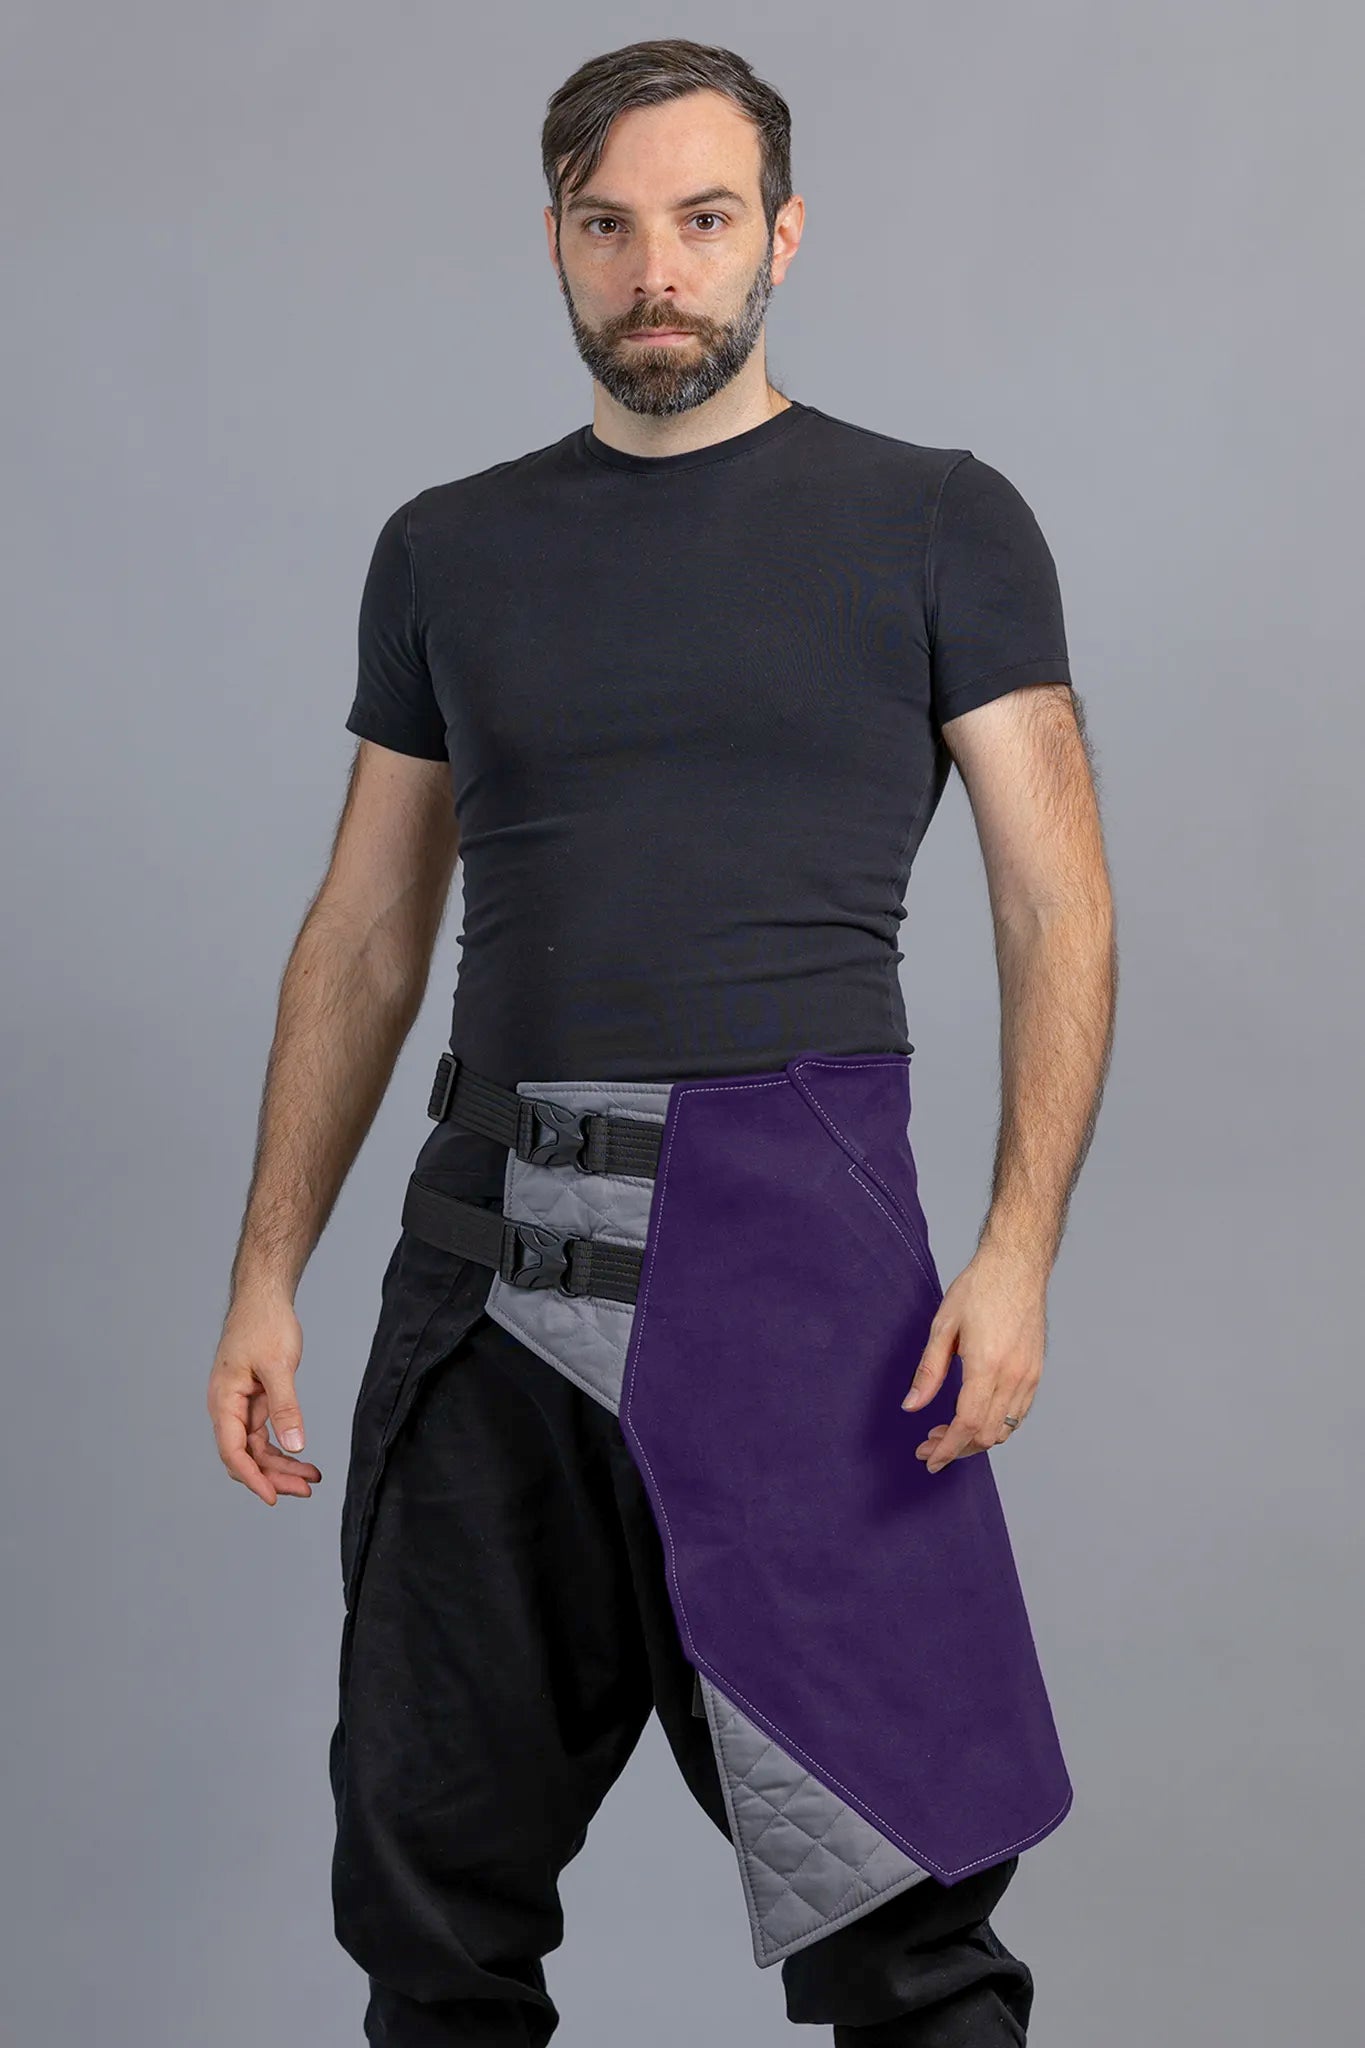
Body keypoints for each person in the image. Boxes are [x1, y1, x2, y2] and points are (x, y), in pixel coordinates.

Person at [207, 35, 1115, 2047]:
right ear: (553, 241)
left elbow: (1055, 900)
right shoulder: (446, 548)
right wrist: (267, 1268)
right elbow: (364, 931)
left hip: (801, 1286)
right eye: (608, 225)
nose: (656, 270)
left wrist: (1017, 1247)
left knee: (903, 1915)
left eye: (702, 220)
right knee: (427, 1914)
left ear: (780, 234)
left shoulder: (939, 521)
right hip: (478, 1291)